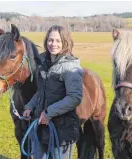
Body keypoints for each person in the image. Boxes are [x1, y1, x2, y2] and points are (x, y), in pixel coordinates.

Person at [23, 25, 82, 159]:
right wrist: (30, 106)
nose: (53, 44)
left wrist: (49, 112)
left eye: (57, 41)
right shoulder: (44, 62)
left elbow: (74, 97)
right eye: (50, 40)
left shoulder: (71, 66)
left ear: (65, 42)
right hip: (40, 127)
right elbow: (41, 91)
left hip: (61, 129)